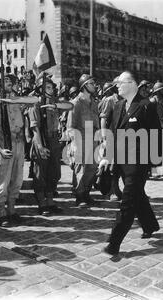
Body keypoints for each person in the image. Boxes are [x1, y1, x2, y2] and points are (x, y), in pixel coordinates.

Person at [102, 71, 161, 256]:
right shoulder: (118, 105)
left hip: (138, 163)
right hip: (121, 161)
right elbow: (113, 134)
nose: (117, 85)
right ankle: (150, 225)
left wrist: (155, 162)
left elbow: (156, 135)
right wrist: (107, 156)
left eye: (121, 82)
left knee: (127, 202)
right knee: (138, 196)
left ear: (133, 84)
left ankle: (114, 242)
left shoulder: (145, 106)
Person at [0, 74, 26, 227]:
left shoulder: (15, 101)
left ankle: (12, 210)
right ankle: (2, 212)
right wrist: (0, 149)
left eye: (11, 81)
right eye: (6, 81)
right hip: (3, 144)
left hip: (18, 143)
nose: (10, 83)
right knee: (2, 180)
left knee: (16, 179)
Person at [28, 76, 69, 215]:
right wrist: (39, 146)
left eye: (52, 87)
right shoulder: (35, 105)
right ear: (40, 89)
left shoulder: (54, 103)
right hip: (41, 139)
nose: (51, 90)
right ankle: (41, 203)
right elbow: (35, 128)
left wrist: (54, 105)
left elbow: (69, 105)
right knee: (40, 173)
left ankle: (50, 202)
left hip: (53, 140)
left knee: (54, 172)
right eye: (48, 87)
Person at [67, 74, 100, 208]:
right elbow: (71, 126)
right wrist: (74, 143)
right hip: (81, 139)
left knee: (92, 168)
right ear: (85, 86)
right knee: (80, 169)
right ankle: (79, 196)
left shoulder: (94, 103)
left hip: (93, 139)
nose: (94, 86)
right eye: (91, 83)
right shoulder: (76, 103)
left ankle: (86, 193)